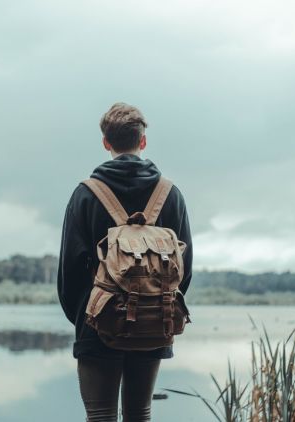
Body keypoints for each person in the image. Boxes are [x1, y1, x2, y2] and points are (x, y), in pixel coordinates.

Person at [57, 102, 193, 422]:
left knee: (101, 416)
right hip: (154, 322)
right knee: (139, 414)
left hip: (96, 323)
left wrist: (86, 317)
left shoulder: (85, 194)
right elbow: (183, 270)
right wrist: (157, 304)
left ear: (106, 142)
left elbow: (69, 273)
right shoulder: (170, 194)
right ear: (142, 141)